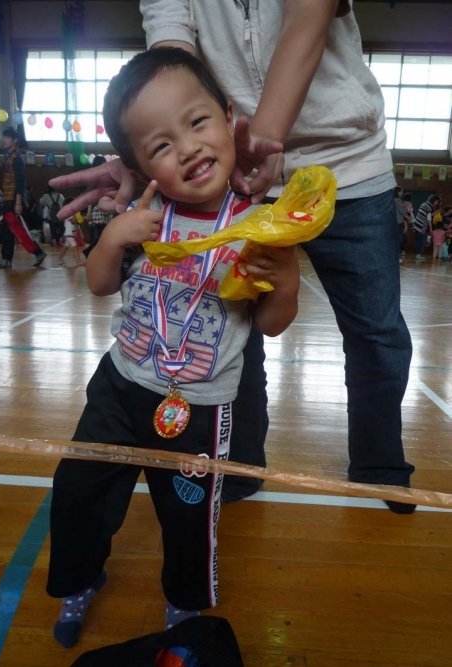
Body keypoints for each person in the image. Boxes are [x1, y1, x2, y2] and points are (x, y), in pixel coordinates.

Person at [50, 0, 416, 514]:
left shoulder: (259, 140)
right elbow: (173, 54)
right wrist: (154, 142)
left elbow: (308, 18)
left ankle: (380, 466)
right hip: (227, 166)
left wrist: (250, 140)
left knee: (376, 331)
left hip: (344, 165)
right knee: (230, 327)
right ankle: (236, 465)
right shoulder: (198, 149)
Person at [46, 47, 300, 649]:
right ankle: (81, 577)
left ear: (229, 115)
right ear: (139, 164)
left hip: (199, 408)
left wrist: (285, 281)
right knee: (78, 488)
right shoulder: (147, 214)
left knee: (189, 517)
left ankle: (185, 608)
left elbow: (270, 324)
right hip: (120, 386)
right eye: (160, 145)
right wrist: (112, 238)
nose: (186, 148)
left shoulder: (259, 226)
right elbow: (100, 283)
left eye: (197, 122)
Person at [0, 127, 47, 269]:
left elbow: (20, 181)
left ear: (15, 140)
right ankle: (7, 259)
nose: (4, 140)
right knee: (7, 229)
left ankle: (37, 252)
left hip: (12, 200)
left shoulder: (17, 158)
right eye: (4, 137)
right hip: (8, 199)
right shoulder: (9, 157)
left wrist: (17, 202)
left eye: (7, 137)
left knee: (18, 230)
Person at [413, 195, 441, 262]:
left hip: (417, 224)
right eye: (437, 201)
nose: (437, 203)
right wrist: (431, 228)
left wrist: (434, 213)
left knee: (418, 240)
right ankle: (418, 254)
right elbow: (428, 218)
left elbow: (427, 215)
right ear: (434, 200)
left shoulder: (425, 204)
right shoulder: (429, 206)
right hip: (421, 225)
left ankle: (417, 254)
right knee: (422, 241)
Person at [59, 199, 86, 267]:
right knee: (75, 246)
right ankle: (79, 262)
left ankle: (60, 259)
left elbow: (75, 224)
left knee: (66, 247)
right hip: (68, 234)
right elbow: (73, 221)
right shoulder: (68, 213)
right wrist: (80, 217)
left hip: (69, 234)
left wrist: (76, 230)